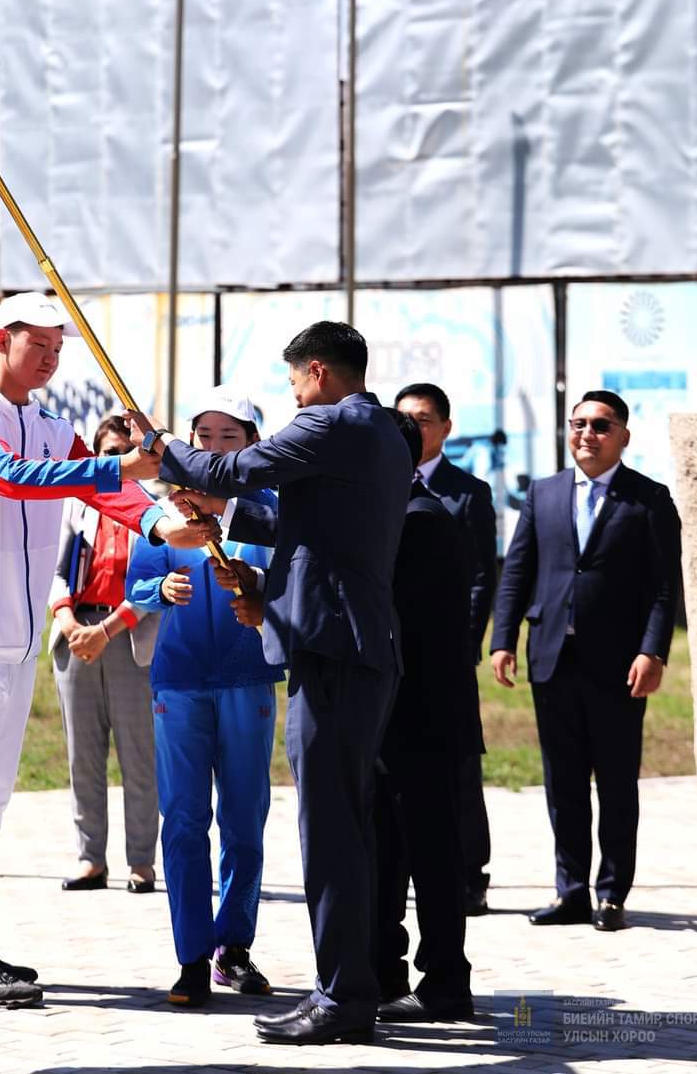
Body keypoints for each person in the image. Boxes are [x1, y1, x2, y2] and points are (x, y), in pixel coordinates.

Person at [0, 293, 216, 1009]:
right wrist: (124, 469)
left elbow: (105, 493)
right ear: (2, 339)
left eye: (59, 348)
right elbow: (11, 475)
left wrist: (161, 523)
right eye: (39, 345)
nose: (51, 359)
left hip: (20, 641)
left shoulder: (53, 427)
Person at [127, 322, 410, 1047]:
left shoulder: (332, 422)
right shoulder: (379, 430)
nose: (295, 399)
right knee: (349, 823)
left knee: (332, 830)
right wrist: (227, 522)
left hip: (334, 651)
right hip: (353, 647)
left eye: (293, 384)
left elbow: (231, 470)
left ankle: (342, 996)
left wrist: (160, 444)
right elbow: (306, 528)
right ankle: (356, 982)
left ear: (317, 372)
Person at [490, 390, 681, 932]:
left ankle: (612, 893)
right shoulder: (544, 492)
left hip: (619, 664)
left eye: (600, 425)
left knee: (616, 782)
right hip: (552, 657)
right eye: (578, 424)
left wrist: (652, 650)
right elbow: (519, 569)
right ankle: (570, 891)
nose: (587, 435)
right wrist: (503, 639)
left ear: (623, 436)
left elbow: (663, 586)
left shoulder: (648, 499)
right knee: (563, 781)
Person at [126, 388, 285, 1009]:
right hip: (181, 682)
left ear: (253, 444)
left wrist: (256, 585)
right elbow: (136, 586)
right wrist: (160, 589)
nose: (214, 448)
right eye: (204, 436)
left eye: (229, 437)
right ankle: (191, 955)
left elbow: (292, 581)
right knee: (185, 820)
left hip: (248, 679)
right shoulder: (166, 512)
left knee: (244, 819)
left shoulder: (268, 510)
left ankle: (233, 947)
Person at [374, 410, 477, 1025]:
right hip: (395, 719)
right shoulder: (396, 512)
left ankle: (444, 982)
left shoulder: (421, 520)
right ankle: (386, 972)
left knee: (432, 856)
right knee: (386, 853)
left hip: (424, 719)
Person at [395, 382, 496, 916]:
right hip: (396, 654)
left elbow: (481, 577)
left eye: (424, 419)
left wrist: (466, 642)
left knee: (458, 765)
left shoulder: (467, 492)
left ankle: (471, 873)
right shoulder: (379, 486)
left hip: (448, 653)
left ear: (446, 428)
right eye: (404, 418)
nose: (414, 427)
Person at [48, 414, 159, 897]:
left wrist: (107, 629)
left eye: (124, 451)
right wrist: (69, 622)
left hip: (130, 641)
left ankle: (142, 863)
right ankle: (90, 859)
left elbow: (155, 582)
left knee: (140, 758)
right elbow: (53, 572)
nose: (117, 461)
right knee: (83, 758)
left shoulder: (155, 509)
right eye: (107, 453)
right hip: (77, 639)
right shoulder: (77, 505)